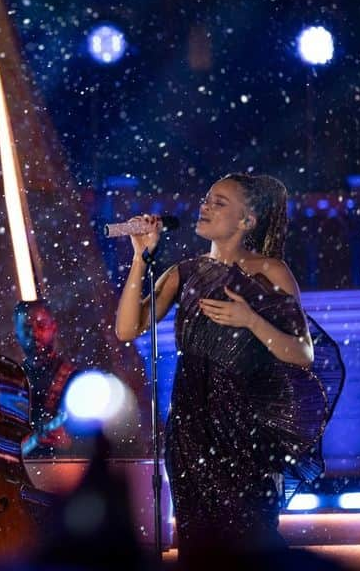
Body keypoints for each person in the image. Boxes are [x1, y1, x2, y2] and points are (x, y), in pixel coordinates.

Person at [114, 173, 339, 559]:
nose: (205, 207)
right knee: (198, 541)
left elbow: (303, 354)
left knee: (249, 540)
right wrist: (140, 257)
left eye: (219, 203)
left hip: (244, 428)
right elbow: (126, 328)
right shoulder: (183, 272)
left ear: (246, 221)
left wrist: (250, 318)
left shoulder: (271, 270)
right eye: (206, 198)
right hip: (190, 425)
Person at [14, 300, 77, 457]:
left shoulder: (75, 380)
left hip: (65, 471)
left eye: (41, 325)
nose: (35, 334)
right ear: (17, 334)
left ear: (53, 327)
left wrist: (71, 443)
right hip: (23, 473)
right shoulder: (11, 381)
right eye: (27, 328)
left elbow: (95, 439)